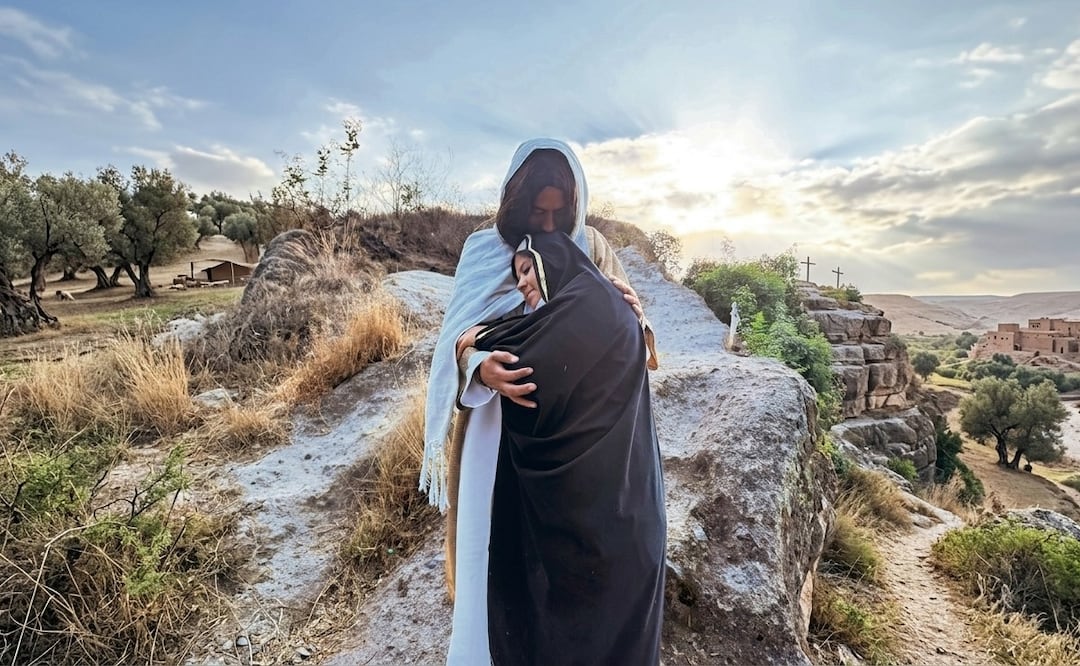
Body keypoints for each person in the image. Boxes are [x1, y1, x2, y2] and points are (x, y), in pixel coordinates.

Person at [419, 138, 657, 665]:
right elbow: (454, 339)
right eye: (536, 211)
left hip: (574, 441)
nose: (549, 226)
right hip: (492, 431)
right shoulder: (483, 250)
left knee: (566, 568)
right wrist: (478, 365)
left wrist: (634, 316)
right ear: (515, 204)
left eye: (559, 212)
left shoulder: (592, 246)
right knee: (492, 559)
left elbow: (626, 341)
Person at [476, 232, 667, 665]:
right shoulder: (609, 306)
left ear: (556, 262)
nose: (521, 283)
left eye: (527, 269)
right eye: (516, 275)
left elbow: (518, 362)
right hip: (628, 516)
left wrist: (468, 339)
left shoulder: (587, 309)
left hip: (603, 529)